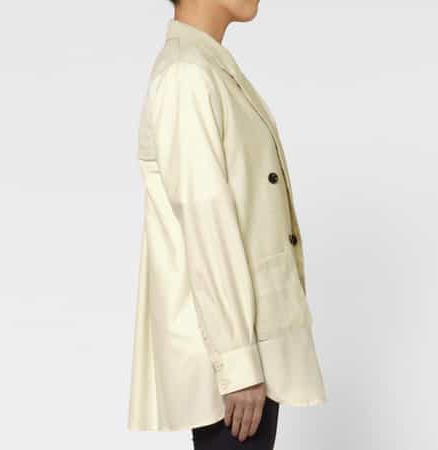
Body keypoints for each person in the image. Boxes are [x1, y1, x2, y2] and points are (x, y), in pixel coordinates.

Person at [128, 1, 327, 448]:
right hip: (230, 356)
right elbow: (206, 224)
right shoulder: (187, 75)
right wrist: (238, 367)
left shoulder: (208, 67)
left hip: (248, 341)